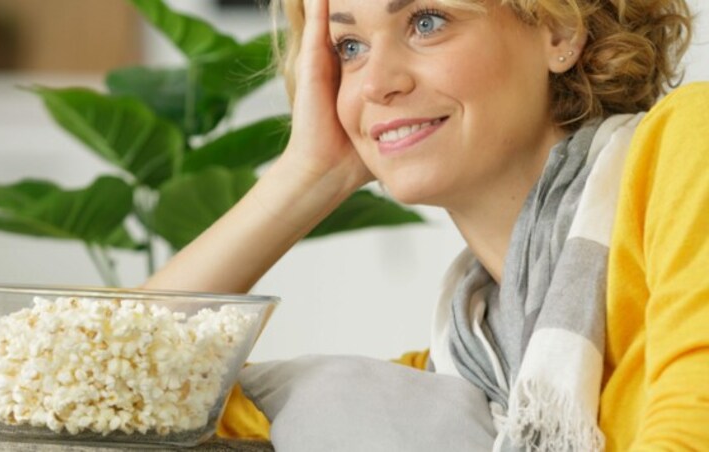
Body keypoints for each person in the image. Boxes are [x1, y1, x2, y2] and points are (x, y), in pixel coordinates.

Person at [144, 0, 708, 450]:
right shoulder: (460, 374)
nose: (375, 84)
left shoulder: (690, 145)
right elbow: (99, 402)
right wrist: (309, 175)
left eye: (426, 22)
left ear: (558, 28)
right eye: (350, 47)